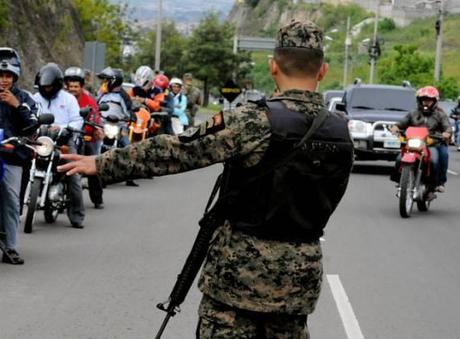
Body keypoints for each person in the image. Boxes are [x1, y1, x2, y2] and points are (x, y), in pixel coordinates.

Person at [58, 20, 353, 338]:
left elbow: (177, 150)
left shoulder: (252, 120)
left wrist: (102, 163)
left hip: (236, 282)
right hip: (298, 284)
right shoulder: (341, 132)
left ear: (272, 67)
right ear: (321, 71)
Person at [33, 63, 86, 228]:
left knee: (73, 174)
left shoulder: (68, 99)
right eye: (44, 87)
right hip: (42, 140)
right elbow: (29, 117)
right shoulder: (35, 99)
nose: (46, 89)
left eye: (49, 87)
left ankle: (77, 216)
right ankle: (17, 208)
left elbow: (78, 120)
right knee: (23, 165)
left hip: (64, 139)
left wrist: (64, 128)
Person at [0, 47, 39, 264]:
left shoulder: (24, 98)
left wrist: (16, 106)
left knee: (11, 200)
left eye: (8, 76)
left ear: (15, 77)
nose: (4, 80)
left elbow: (33, 125)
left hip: (12, 156)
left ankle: (11, 247)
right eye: (0, 75)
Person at [391, 86, 452, 193]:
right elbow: (402, 123)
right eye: (423, 100)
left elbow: (447, 126)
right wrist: (395, 127)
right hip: (414, 142)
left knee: (436, 159)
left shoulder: (440, 114)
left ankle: (437, 184)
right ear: (419, 100)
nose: (426, 102)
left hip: (432, 143)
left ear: (434, 101)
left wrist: (446, 133)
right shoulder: (413, 113)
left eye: (429, 100)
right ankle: (400, 182)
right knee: (399, 159)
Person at [64, 66, 104, 209]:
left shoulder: (89, 100)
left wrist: (95, 129)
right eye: (70, 86)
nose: (73, 89)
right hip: (64, 137)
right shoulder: (62, 99)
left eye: (76, 86)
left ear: (81, 86)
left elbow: (94, 117)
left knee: (93, 163)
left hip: (84, 137)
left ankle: (97, 198)